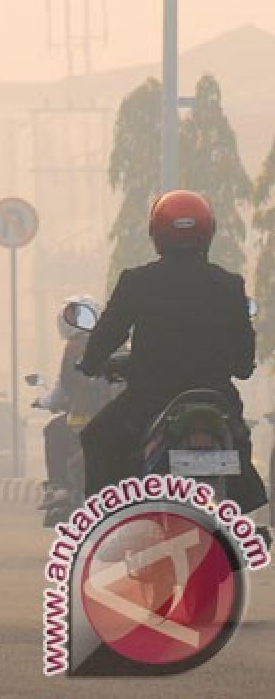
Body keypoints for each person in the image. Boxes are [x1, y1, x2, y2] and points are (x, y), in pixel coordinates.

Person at [78, 190, 268, 514]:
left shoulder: (137, 282)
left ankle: (104, 527)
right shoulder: (228, 284)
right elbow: (245, 361)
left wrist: (91, 362)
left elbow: (108, 332)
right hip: (216, 397)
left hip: (150, 400)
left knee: (96, 438)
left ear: (157, 234)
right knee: (239, 441)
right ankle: (244, 514)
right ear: (209, 233)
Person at [35, 296, 113, 511]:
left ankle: (60, 488)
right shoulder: (116, 342)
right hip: (114, 417)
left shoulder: (75, 346)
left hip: (81, 419)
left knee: (53, 430)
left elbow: (62, 387)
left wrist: (44, 401)